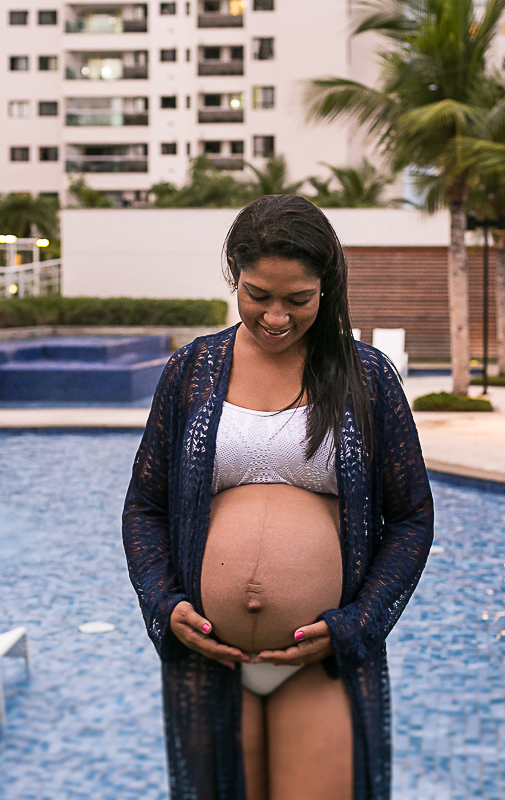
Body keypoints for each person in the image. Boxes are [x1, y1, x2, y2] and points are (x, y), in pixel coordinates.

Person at [122, 195, 433, 800]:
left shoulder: (366, 376)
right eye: (257, 294)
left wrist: (357, 624)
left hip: (317, 665)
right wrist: (163, 602)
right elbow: (145, 506)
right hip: (211, 660)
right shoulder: (190, 371)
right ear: (233, 276)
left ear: (326, 287)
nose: (275, 317)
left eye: (298, 299)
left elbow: (411, 519)